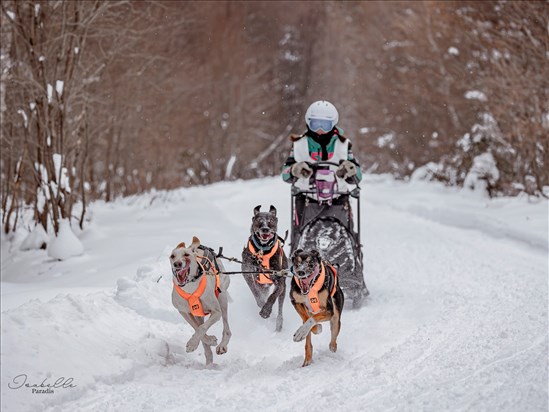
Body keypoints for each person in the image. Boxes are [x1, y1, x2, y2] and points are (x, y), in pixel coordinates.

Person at [281, 100, 363, 252]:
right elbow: (285, 176)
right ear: (308, 122)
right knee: (301, 239)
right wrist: (294, 170)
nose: (319, 130)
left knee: (346, 239)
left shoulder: (344, 144)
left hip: (338, 201)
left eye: (324, 125)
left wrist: (351, 170)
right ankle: (297, 267)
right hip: (306, 201)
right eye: (315, 124)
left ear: (333, 124)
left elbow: (358, 177)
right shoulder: (299, 144)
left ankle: (349, 269)